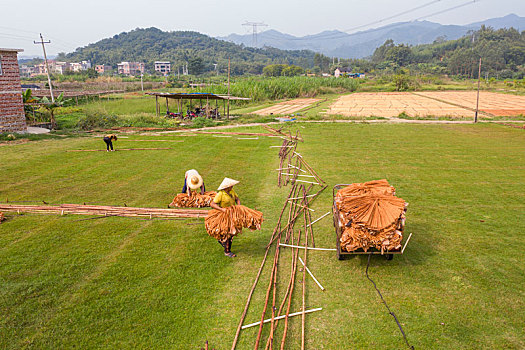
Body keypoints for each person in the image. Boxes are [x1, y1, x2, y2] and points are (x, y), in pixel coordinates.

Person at [210, 177, 240, 258]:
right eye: (231, 185)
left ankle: (222, 241)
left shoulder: (232, 191)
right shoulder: (220, 194)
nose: (232, 187)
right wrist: (222, 209)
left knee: (232, 232)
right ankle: (227, 251)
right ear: (227, 186)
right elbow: (212, 204)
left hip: (232, 213)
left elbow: (237, 199)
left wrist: (239, 206)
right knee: (228, 232)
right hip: (224, 214)